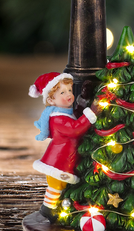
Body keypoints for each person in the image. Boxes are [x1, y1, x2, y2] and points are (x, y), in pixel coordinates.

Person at [29, 72, 98, 223]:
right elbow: (75, 129)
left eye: (70, 90)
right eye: (62, 92)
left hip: (64, 158)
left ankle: (52, 207)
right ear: (50, 99)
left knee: (59, 185)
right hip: (58, 160)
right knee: (55, 185)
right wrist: (91, 113)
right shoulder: (58, 118)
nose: (69, 95)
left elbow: (75, 118)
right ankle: (47, 208)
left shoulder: (64, 113)